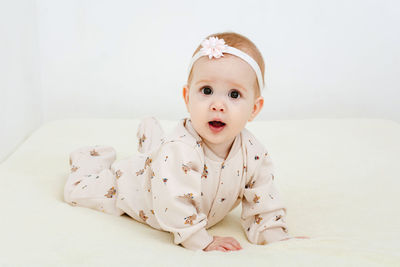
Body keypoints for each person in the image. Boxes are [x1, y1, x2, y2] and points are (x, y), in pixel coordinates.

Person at [64, 31, 308, 252]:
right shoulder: (180, 150)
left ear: (254, 109)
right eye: (206, 90)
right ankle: (90, 160)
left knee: (162, 159)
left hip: (165, 167)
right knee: (78, 193)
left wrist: (275, 236)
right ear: (187, 96)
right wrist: (201, 240)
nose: (218, 105)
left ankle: (152, 142)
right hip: (136, 189)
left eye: (234, 95)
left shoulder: (254, 153)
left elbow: (262, 200)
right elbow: (173, 203)